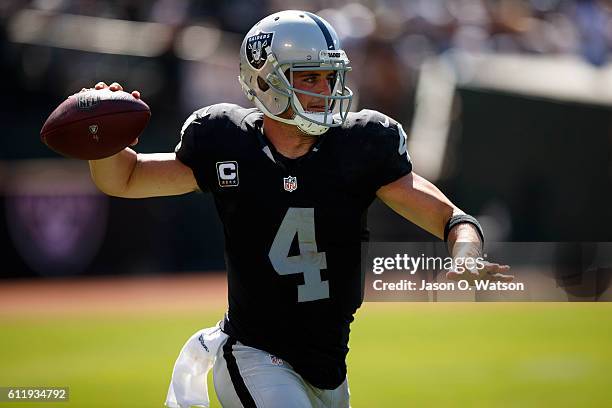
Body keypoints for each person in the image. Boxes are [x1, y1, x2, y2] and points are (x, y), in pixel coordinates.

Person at [87, 10, 511, 408]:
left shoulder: (360, 145)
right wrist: (101, 139)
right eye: (309, 77)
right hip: (254, 354)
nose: (325, 91)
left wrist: (467, 250)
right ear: (265, 81)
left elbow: (449, 217)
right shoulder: (227, 141)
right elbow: (124, 178)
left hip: (328, 368)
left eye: (331, 77)